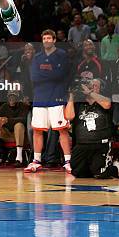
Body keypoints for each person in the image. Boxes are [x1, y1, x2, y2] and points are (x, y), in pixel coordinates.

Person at [24, 29, 72, 173]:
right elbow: (34, 76)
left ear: (54, 40)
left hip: (57, 97)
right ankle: (36, 161)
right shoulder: (37, 57)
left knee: (62, 130)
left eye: (49, 38)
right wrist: (50, 73)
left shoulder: (62, 55)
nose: (46, 40)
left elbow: (61, 74)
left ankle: (68, 161)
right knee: (37, 130)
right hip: (39, 98)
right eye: (44, 38)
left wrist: (46, 74)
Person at [65, 79, 119, 178]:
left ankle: (117, 168)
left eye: (94, 85)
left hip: (100, 144)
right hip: (82, 145)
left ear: (100, 89)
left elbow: (107, 104)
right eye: (89, 85)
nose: (90, 87)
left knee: (100, 173)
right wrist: (71, 96)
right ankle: (93, 167)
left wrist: (90, 93)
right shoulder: (79, 103)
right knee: (78, 173)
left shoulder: (104, 101)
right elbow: (69, 116)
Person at [0, 92, 28, 167]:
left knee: (19, 125)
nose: (11, 99)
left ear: (18, 98)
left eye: (13, 97)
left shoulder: (23, 106)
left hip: (20, 135)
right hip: (6, 134)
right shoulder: (5, 106)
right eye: (10, 97)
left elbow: (24, 119)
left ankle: (19, 159)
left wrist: (7, 120)